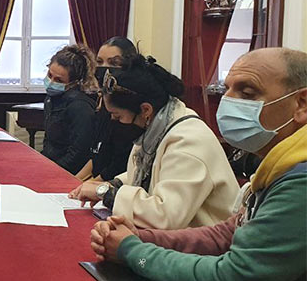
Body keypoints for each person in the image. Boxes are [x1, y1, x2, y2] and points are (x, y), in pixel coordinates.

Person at [90, 47, 306, 281]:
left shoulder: (300, 178)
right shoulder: (279, 164)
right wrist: (141, 238)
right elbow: (224, 235)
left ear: (301, 104)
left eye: (247, 93)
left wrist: (133, 251)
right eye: (227, 89)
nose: (228, 101)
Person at [70, 54, 238, 229]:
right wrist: (112, 184)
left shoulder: (189, 142)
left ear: (145, 109)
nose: (114, 122)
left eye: (117, 116)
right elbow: (146, 172)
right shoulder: (156, 125)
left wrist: (104, 193)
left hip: (203, 246)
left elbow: (166, 216)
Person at [75, 37, 140, 181]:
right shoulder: (104, 102)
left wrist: (94, 184)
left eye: (113, 63)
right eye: (99, 62)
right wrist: (75, 181)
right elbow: (99, 152)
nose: (104, 68)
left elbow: (120, 161)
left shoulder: (130, 106)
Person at [40, 44, 98, 174]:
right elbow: (49, 141)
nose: (51, 81)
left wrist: (54, 172)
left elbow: (79, 152)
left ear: (73, 82)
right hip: (51, 164)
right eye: (50, 75)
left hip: (70, 172)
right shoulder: (50, 99)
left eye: (59, 80)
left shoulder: (80, 107)